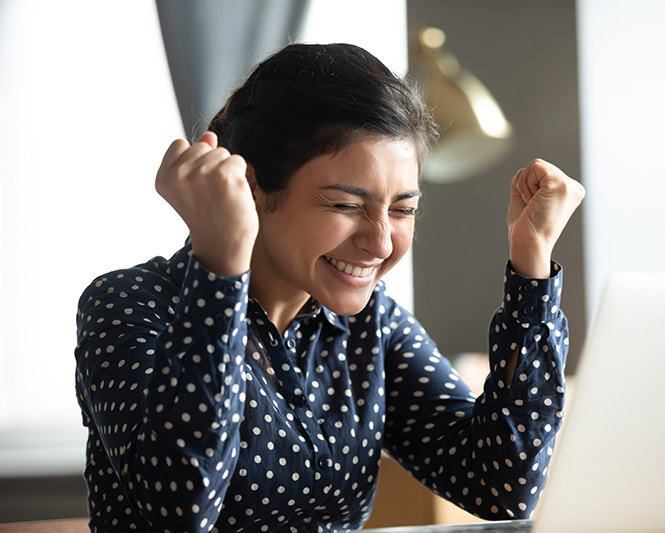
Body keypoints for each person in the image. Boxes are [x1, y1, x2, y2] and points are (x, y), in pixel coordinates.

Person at [74, 43, 584, 533]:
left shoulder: (371, 322)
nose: (380, 241)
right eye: (344, 205)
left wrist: (532, 262)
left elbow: (504, 486)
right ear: (252, 188)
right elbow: (181, 508)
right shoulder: (130, 304)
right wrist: (222, 264)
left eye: (403, 208)